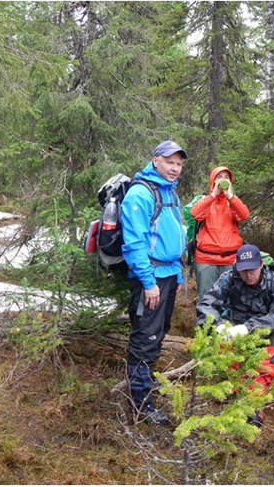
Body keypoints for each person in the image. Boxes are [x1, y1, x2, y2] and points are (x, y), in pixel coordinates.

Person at [120, 140, 187, 424]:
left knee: (158, 334)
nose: (175, 168)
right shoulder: (140, 194)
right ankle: (140, 404)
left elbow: (175, 235)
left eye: (179, 164)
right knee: (145, 338)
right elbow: (134, 244)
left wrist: (179, 275)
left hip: (168, 275)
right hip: (151, 279)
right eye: (170, 162)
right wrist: (148, 283)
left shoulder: (169, 192)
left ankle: (145, 387)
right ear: (155, 160)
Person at [196, 243, 274, 426]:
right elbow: (205, 304)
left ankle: (253, 401)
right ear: (237, 268)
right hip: (234, 328)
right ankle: (231, 385)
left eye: (252, 270)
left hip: (267, 330)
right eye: (244, 271)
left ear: (261, 266)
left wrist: (250, 327)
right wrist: (219, 326)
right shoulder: (229, 278)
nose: (248, 275)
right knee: (222, 346)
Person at [189, 167, 250, 300]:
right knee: (206, 298)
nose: (223, 179)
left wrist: (230, 197)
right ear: (213, 181)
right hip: (206, 259)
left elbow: (244, 215)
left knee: (230, 297)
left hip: (230, 259)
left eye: (226, 177)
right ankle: (206, 321)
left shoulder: (233, 201)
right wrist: (213, 195)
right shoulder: (205, 200)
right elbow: (195, 214)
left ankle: (226, 322)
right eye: (219, 176)